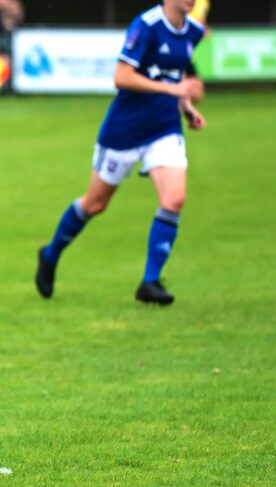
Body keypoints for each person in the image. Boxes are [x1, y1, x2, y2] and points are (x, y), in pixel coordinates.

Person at [34, 0, 206, 305]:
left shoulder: (193, 31)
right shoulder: (147, 25)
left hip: (165, 129)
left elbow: (175, 76)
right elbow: (122, 76)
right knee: (95, 204)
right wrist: (172, 91)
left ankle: (150, 282)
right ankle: (50, 255)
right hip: (124, 131)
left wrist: (187, 106)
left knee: (174, 199)